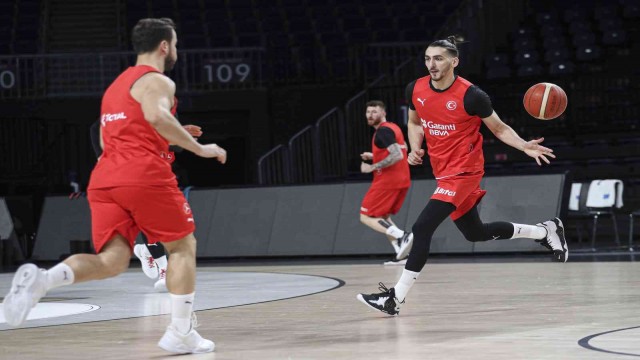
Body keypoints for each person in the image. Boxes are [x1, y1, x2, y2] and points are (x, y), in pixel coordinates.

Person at [3, 18, 226, 354]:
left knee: (112, 260)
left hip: (106, 179)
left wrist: (174, 134)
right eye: (175, 44)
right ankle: (180, 331)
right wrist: (201, 148)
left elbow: (116, 138)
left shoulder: (115, 87)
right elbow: (156, 117)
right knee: (181, 248)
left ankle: (43, 280)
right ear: (164, 46)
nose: (176, 50)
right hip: (146, 177)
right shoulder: (157, 81)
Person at [357, 36, 568, 316]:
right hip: (444, 173)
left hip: (465, 171)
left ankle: (394, 298)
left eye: (439, 58)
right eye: (428, 58)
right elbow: (414, 121)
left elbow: (499, 128)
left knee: (421, 229)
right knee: (475, 233)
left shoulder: (472, 95)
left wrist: (523, 145)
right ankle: (545, 231)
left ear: (454, 61)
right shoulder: (415, 88)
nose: (432, 64)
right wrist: (416, 147)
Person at [90, 120, 202, 292]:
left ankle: (147, 252)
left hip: (161, 171)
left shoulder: (163, 108)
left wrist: (175, 136)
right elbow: (96, 127)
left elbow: (177, 146)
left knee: (172, 226)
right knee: (148, 220)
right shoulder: (124, 113)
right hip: (133, 175)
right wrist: (100, 155)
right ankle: (164, 271)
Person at [359, 100, 413, 264]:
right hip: (402, 179)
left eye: (374, 111)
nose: (370, 115)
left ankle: (402, 235)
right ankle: (401, 254)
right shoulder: (393, 128)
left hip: (387, 181)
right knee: (382, 216)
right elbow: (402, 149)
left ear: (383, 113)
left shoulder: (382, 132)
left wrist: (372, 166)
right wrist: (375, 156)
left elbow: (397, 155)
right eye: (368, 112)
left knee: (366, 216)